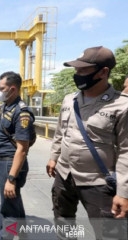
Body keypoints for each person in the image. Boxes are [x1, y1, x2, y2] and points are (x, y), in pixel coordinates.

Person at [46, 46, 128, 239]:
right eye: (76, 69)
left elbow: (126, 151)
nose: (77, 74)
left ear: (103, 72)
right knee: (64, 223)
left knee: (109, 234)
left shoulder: (122, 106)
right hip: (64, 175)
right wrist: (53, 157)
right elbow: (60, 133)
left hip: (98, 182)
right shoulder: (69, 100)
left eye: (83, 70)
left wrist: (123, 192)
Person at [0, 71, 35, 239]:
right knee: (15, 203)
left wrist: (11, 179)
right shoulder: (7, 105)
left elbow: (22, 149)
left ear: (13, 89)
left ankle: (6, 237)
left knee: (8, 209)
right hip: (4, 162)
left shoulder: (21, 112)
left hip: (10, 164)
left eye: (1, 88)